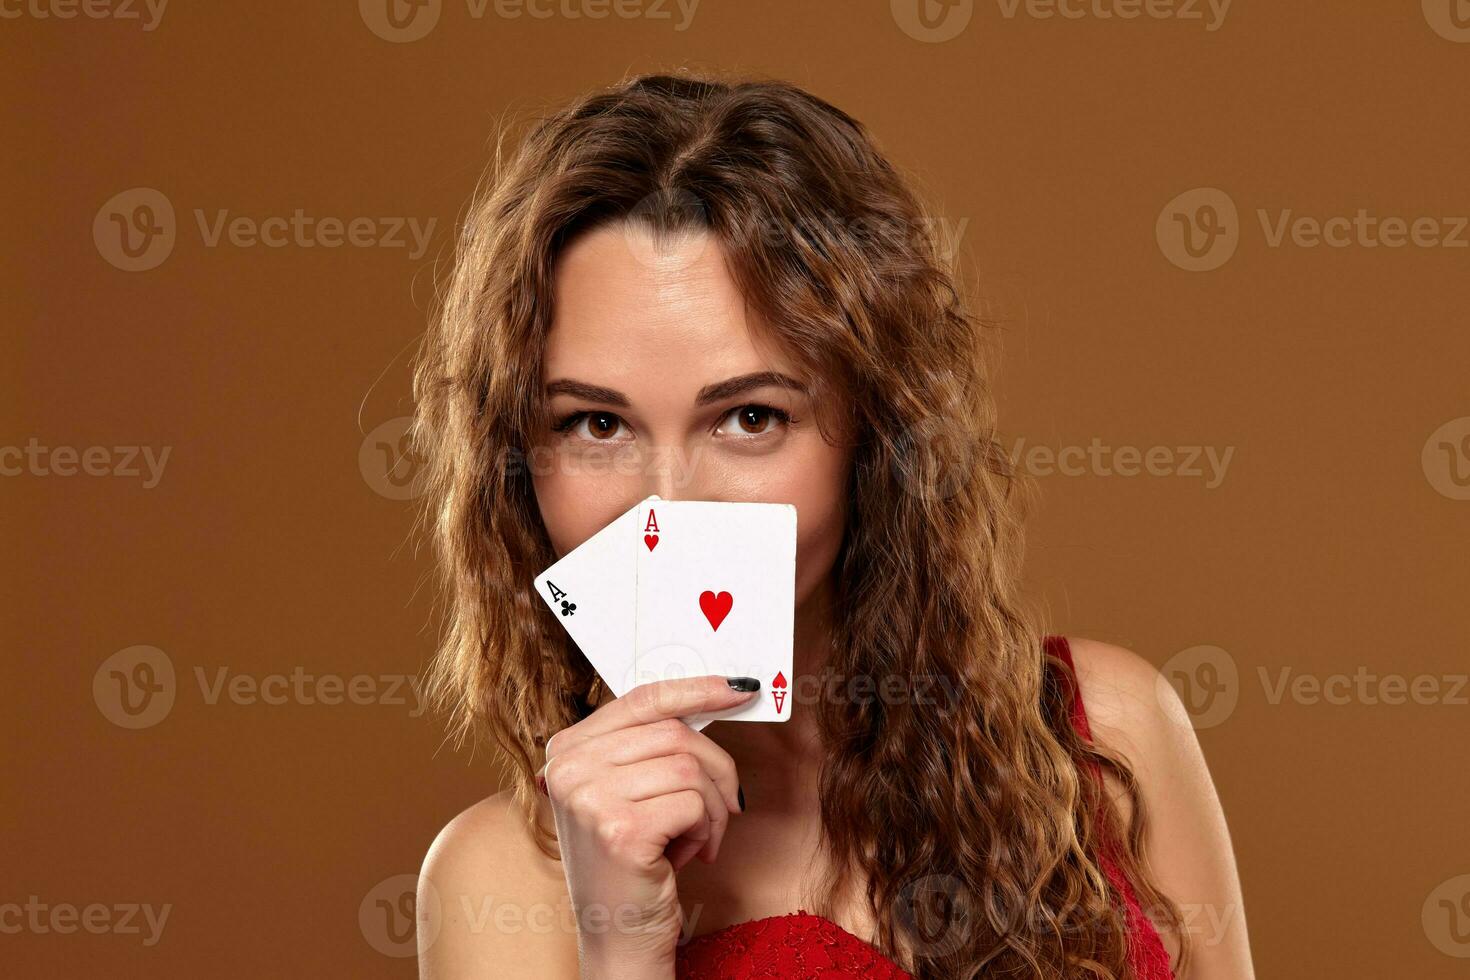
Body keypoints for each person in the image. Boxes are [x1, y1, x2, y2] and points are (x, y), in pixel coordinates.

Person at [409, 71, 1254, 979]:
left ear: (872, 432)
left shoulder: (1104, 737)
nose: (669, 504)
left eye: (749, 417)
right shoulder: (497, 879)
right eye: (596, 424)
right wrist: (620, 946)